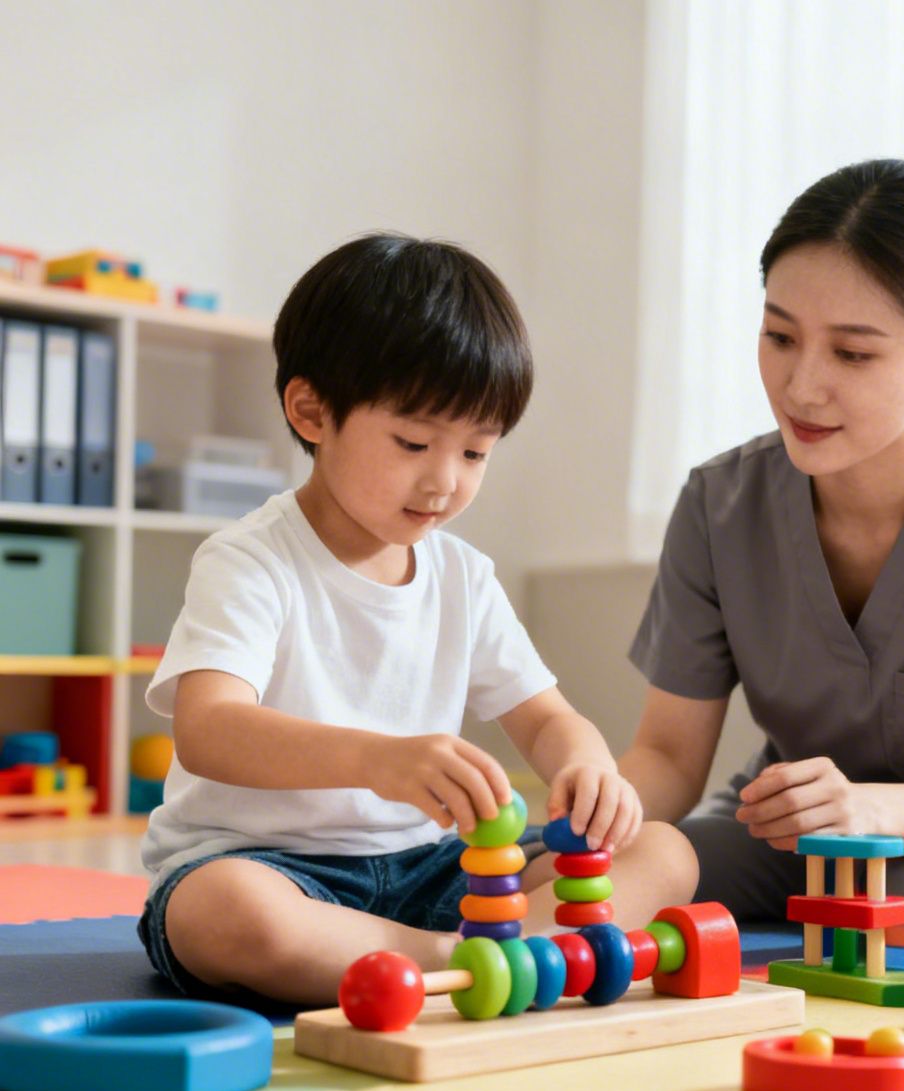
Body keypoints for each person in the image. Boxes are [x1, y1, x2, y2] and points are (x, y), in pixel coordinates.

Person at [137, 234, 697, 1007]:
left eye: (475, 452)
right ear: (312, 412)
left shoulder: (462, 577)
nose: (444, 481)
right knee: (225, 916)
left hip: (437, 871)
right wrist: (380, 761)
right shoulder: (250, 560)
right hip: (270, 867)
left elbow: (547, 717)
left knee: (665, 851)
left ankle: (493, 958)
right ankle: (473, 963)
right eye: (412, 442)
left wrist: (587, 768)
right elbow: (209, 727)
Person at [620, 159, 904, 937]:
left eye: (852, 354)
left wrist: (863, 806)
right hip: (794, 839)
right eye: (779, 336)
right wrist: (590, 818)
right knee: (645, 869)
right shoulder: (719, 503)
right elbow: (669, 757)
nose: (801, 387)